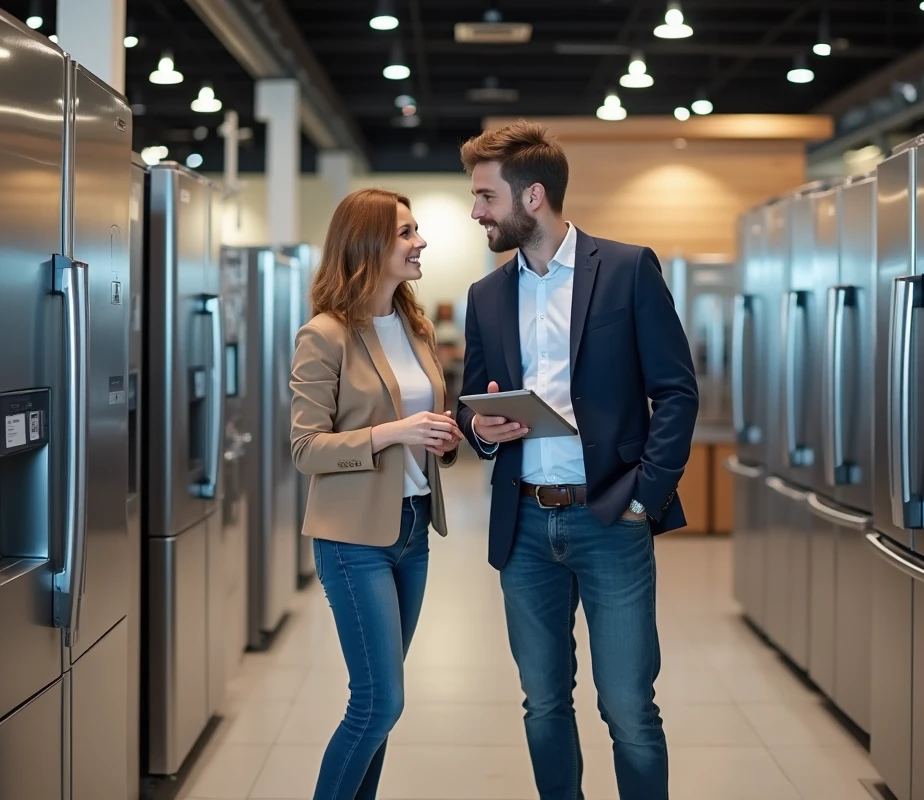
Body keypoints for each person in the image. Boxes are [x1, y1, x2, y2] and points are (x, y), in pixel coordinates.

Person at [455, 121, 699, 800]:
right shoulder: (486, 295)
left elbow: (676, 390)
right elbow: (473, 405)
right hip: (524, 526)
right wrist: (483, 428)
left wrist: (647, 495)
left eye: (484, 196)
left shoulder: (625, 269)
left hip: (610, 518)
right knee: (543, 703)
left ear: (532, 196)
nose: (475, 211)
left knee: (627, 708)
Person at [290, 188, 464, 800]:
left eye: (417, 231)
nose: (421, 243)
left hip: (412, 528)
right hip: (352, 540)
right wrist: (396, 433)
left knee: (379, 708)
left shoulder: (415, 326)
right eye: (407, 233)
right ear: (368, 244)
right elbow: (306, 448)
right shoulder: (326, 334)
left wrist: (442, 440)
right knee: (378, 701)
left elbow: (425, 423)